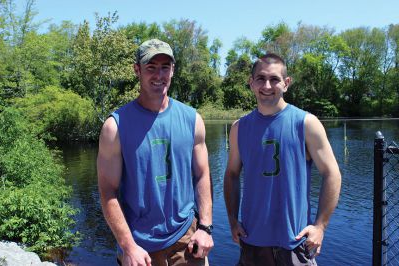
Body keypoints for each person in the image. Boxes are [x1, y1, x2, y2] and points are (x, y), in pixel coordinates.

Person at [97, 39, 214, 266]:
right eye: (151, 67)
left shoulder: (193, 120)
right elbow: (107, 192)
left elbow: (202, 174)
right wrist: (128, 246)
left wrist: (205, 227)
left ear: (173, 70)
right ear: (137, 70)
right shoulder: (115, 127)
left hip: (188, 240)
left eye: (165, 67)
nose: (159, 75)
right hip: (139, 245)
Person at [223, 53, 341, 265]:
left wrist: (320, 226)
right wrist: (232, 220)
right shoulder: (239, 128)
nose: (267, 85)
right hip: (252, 242)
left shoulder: (306, 123)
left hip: (295, 243)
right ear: (251, 83)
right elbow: (232, 174)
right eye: (260, 78)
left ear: (286, 84)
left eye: (274, 79)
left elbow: (332, 173)